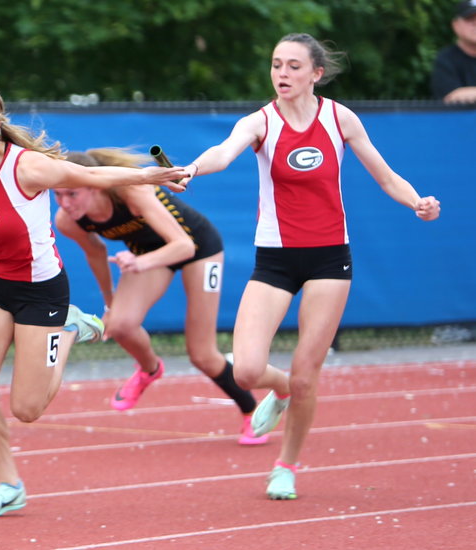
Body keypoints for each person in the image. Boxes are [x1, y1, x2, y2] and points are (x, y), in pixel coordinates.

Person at [175, 33, 440, 500]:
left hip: (329, 258)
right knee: (247, 371)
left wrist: (416, 200)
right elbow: (223, 151)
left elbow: (384, 174)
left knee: (305, 373)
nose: (282, 74)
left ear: (316, 73)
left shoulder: (340, 117)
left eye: (294, 66)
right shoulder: (260, 122)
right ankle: (278, 394)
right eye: (277, 65)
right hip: (275, 259)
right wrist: (193, 168)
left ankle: (286, 466)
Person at [0, 80, 189, 518]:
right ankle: (9, 484)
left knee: (27, 409)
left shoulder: (28, 168)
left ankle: (67, 328)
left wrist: (152, 175)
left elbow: (92, 175)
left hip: (41, 290)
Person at [54, 148, 267, 445]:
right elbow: (96, 254)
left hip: (198, 248)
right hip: (149, 254)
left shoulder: (131, 191)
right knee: (119, 324)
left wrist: (139, 263)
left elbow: (184, 246)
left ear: (95, 185)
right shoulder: (67, 220)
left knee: (202, 355)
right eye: (58, 194)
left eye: (72, 194)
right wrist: (109, 303)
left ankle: (252, 412)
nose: (65, 203)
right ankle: (149, 369)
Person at [431, 0, 476, 103]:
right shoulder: (445, 59)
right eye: (469, 19)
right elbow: (451, 96)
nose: (475, 24)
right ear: (455, 25)